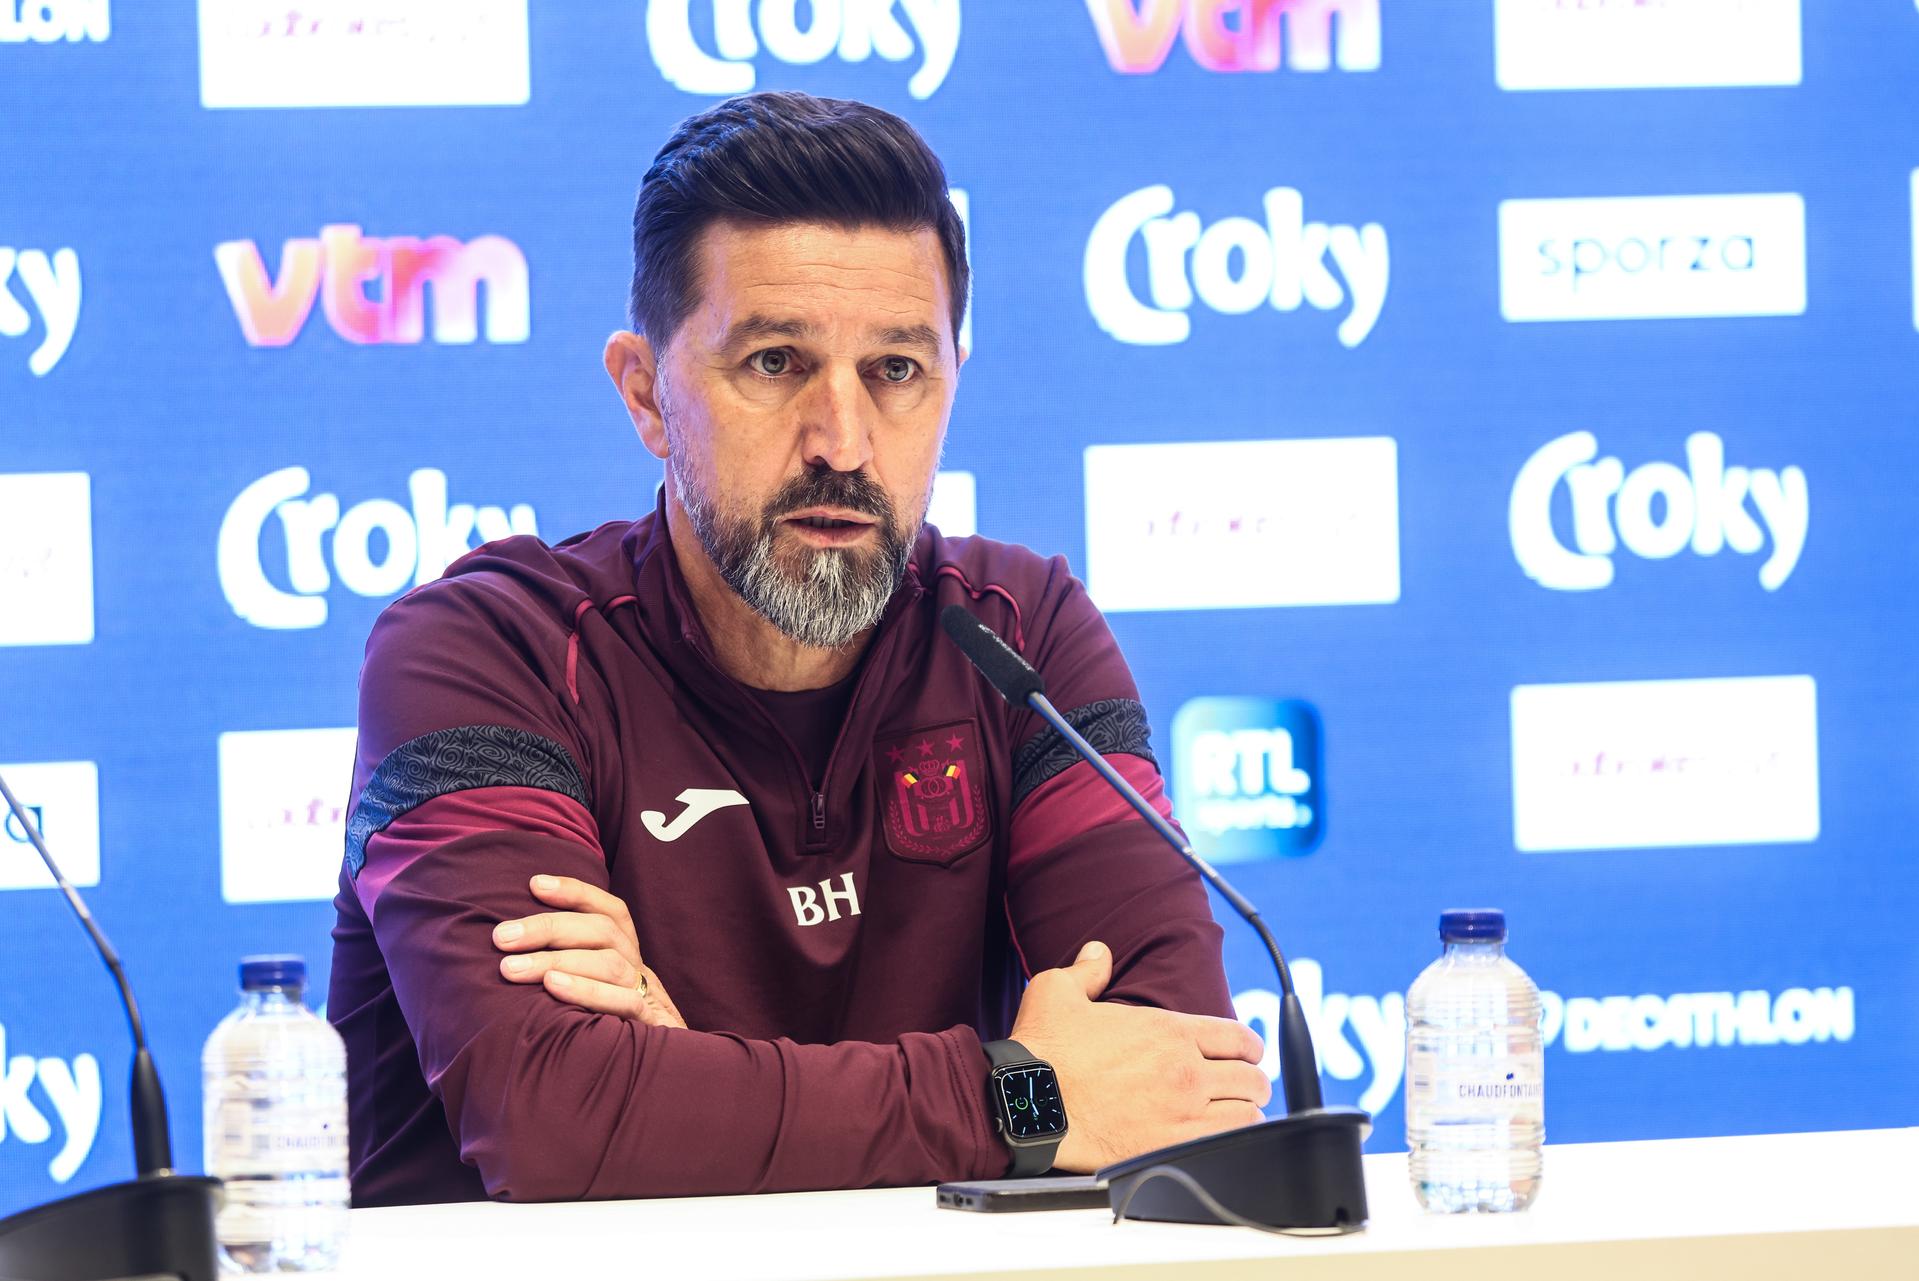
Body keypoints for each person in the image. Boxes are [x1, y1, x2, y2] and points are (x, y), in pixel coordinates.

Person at [327, 90, 1270, 1207]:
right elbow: (559, 1121)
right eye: (775, 363)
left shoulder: (1023, 638)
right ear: (646, 394)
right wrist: (1025, 1098)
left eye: (896, 370)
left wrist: (679, 1082)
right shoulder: (489, 653)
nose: (844, 441)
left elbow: (1180, 1079)